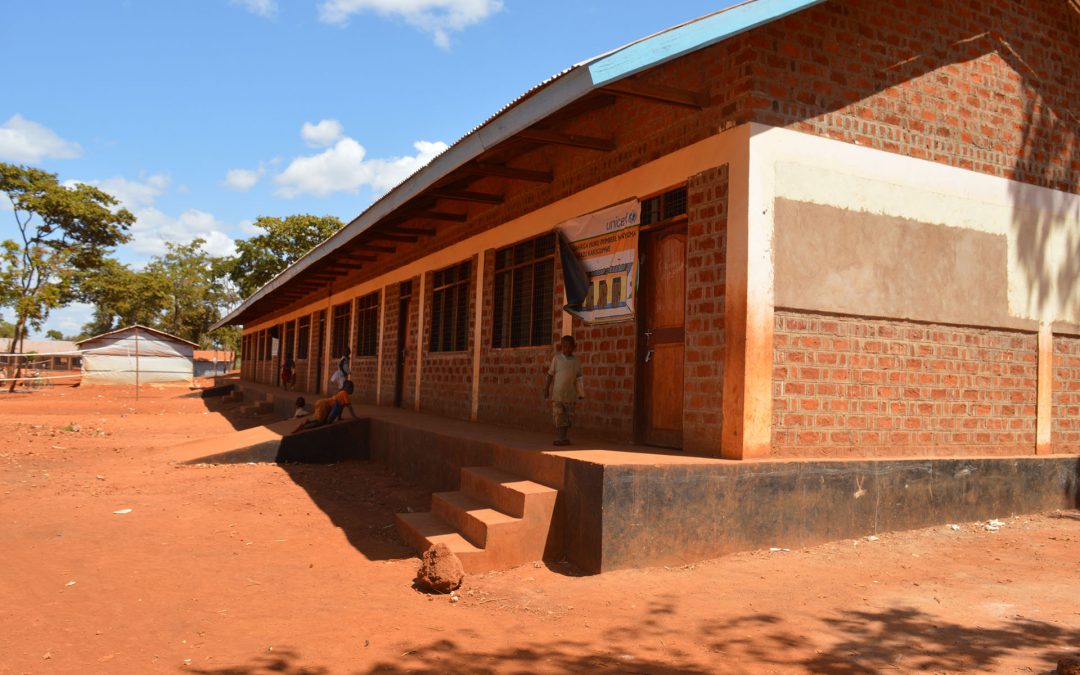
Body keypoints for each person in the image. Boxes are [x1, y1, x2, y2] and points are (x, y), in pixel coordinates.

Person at [544, 335, 584, 446]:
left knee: (568, 418)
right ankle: (559, 437)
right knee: (558, 416)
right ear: (561, 347)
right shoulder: (557, 359)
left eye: (569, 347)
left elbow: (579, 378)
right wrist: (546, 389)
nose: (566, 349)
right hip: (558, 395)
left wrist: (581, 392)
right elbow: (550, 374)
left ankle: (564, 437)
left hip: (570, 396)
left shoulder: (576, 362)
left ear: (574, 347)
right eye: (564, 347)